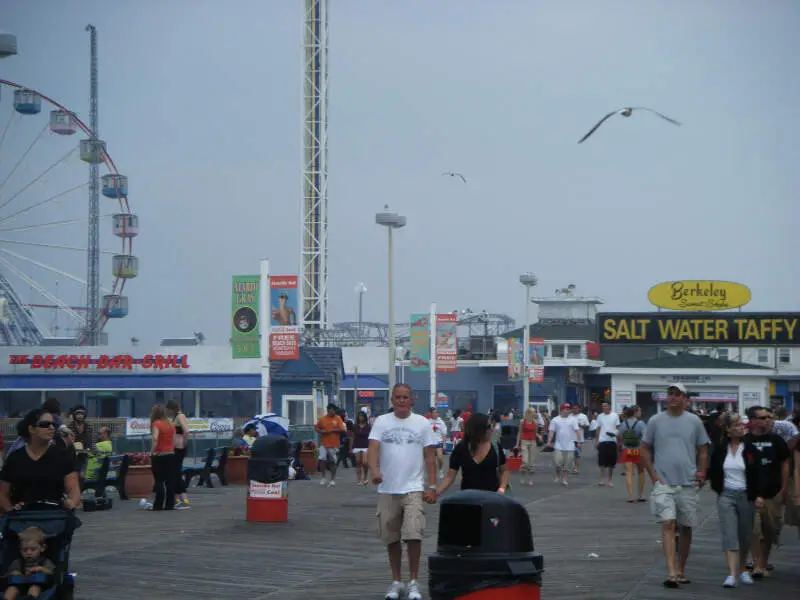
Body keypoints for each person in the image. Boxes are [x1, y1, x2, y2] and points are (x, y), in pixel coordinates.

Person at [368, 383, 439, 600]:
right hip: (388, 488)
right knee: (391, 538)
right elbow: (372, 448)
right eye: (397, 397)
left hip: (413, 488)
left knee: (413, 534)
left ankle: (414, 582)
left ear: (412, 400)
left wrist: (433, 487)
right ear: (392, 400)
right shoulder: (381, 422)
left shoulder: (422, 423)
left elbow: (429, 457)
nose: (401, 401)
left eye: (405, 397)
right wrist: (374, 470)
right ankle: (397, 580)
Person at [640, 383, 710, 588]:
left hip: (688, 482)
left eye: (677, 394)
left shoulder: (694, 421)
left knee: (686, 526)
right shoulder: (655, 420)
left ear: (685, 398)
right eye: (670, 394)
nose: (672, 398)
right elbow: (644, 448)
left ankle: (681, 569)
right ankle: (671, 572)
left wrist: (702, 472)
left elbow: (703, 449)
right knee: (668, 523)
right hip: (663, 482)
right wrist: (652, 475)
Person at [707, 413, 757, 588]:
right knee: (729, 534)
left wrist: (757, 495)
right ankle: (732, 574)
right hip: (726, 495)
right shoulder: (720, 449)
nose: (740, 428)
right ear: (727, 429)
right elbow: (713, 471)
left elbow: (757, 474)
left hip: (745, 495)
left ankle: (743, 568)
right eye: (735, 425)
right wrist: (719, 490)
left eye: (741, 425)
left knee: (744, 534)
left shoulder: (750, 448)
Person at [0, 408, 80, 512]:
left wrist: (71, 502)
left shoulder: (62, 456)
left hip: (54, 515)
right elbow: (2, 493)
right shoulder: (15, 458)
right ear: (31, 429)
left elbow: (73, 490)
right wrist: (10, 509)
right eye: (45, 424)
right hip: (21, 516)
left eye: (53, 424)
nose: (51, 427)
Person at [744, 406, 790, 579]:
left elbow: (785, 463)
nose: (767, 420)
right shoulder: (745, 441)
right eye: (762, 418)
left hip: (772, 492)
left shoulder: (776, 440)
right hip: (750, 493)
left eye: (768, 417)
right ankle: (757, 564)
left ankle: (763, 560)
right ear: (752, 420)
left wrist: (784, 489)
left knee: (769, 529)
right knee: (754, 529)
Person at [436, 413, 508, 495]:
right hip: (468, 498)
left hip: (492, 498)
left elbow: (504, 470)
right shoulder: (461, 448)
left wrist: (502, 488)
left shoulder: (495, 447)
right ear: (477, 430)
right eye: (488, 427)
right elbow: (450, 476)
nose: (492, 429)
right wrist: (435, 493)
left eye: (492, 426)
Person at [4, 526, 56, 600]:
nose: (28, 553)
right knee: (11, 589)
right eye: (24, 550)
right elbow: (8, 575)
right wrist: (15, 573)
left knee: (34, 588)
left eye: (33, 549)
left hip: (39, 586)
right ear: (20, 549)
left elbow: (51, 573)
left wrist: (40, 569)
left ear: (42, 548)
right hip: (20, 586)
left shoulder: (45, 561)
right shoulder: (18, 562)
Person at [144, 404, 177, 511]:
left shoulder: (156, 424)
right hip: (171, 454)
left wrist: (152, 452)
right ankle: (170, 504)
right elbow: (174, 440)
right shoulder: (171, 424)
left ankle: (158, 504)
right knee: (170, 480)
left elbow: (155, 439)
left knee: (158, 480)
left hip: (159, 455)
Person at [546, 403, 580, 486]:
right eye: (566, 409)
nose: (568, 410)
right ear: (561, 410)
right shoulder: (555, 420)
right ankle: (557, 475)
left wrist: (578, 442)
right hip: (558, 445)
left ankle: (565, 478)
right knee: (558, 462)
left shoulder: (573, 420)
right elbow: (551, 431)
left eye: (569, 409)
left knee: (567, 463)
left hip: (570, 445)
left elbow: (577, 431)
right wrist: (549, 441)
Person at [618, 406, 647, 502]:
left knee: (629, 472)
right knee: (641, 472)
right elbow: (645, 437)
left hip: (627, 449)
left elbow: (620, 436)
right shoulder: (641, 423)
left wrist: (623, 444)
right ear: (635, 413)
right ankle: (640, 495)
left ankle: (630, 496)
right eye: (639, 411)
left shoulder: (623, 423)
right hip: (638, 449)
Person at [166, 400, 191, 509]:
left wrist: (184, 444)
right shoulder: (175, 417)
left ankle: (183, 497)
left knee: (176, 472)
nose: (168, 412)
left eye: (169, 410)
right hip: (175, 447)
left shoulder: (180, 416)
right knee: (174, 472)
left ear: (172, 409)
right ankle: (177, 497)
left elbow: (186, 431)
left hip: (179, 447)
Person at [314, 404, 346, 487]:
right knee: (322, 460)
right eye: (332, 410)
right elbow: (317, 428)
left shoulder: (338, 418)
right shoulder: (322, 419)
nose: (334, 411)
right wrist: (322, 431)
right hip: (323, 443)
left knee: (333, 462)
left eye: (334, 410)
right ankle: (323, 478)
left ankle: (332, 479)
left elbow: (342, 429)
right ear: (328, 410)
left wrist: (332, 430)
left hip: (334, 444)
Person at [594, 401, 620, 486]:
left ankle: (610, 480)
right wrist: (596, 441)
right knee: (601, 461)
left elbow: (618, 428)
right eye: (603, 406)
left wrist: (615, 435)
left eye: (605, 406)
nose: (604, 407)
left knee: (611, 463)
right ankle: (602, 479)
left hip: (612, 440)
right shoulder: (600, 416)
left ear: (609, 406)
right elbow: (598, 429)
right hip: (602, 440)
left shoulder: (615, 416)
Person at [515, 407, 542, 486]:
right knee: (525, 461)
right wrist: (517, 444)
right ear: (529, 413)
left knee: (531, 462)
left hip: (533, 442)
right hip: (524, 442)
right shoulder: (522, 422)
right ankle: (523, 476)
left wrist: (539, 436)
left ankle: (531, 479)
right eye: (533, 412)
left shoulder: (535, 422)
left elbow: (535, 432)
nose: (535, 413)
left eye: (535, 412)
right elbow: (519, 433)